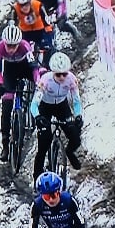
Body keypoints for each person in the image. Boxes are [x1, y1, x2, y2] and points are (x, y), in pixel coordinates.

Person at [30, 52, 83, 186]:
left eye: (64, 74)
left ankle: (69, 152)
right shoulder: (45, 80)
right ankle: (37, 177)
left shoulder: (71, 79)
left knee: (75, 137)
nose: (61, 77)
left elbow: (76, 100)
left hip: (61, 106)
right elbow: (34, 104)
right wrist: (38, 117)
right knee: (43, 144)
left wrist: (78, 115)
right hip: (45, 107)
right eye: (58, 74)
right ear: (52, 72)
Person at [0, 25, 42, 161]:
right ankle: (5, 145)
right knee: (6, 105)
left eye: (14, 46)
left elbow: (34, 68)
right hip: (10, 72)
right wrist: (0, 85)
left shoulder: (25, 46)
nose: (10, 49)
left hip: (25, 68)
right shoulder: (0, 47)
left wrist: (38, 82)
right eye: (8, 45)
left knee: (39, 85)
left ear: (19, 43)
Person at [9, 0, 56, 69]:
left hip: (41, 31)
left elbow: (47, 24)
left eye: (26, 4)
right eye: (21, 5)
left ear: (30, 0)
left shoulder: (38, 5)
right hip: (25, 32)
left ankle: (48, 66)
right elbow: (11, 26)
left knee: (48, 48)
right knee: (20, 52)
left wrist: (49, 38)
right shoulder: (15, 9)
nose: (24, 7)